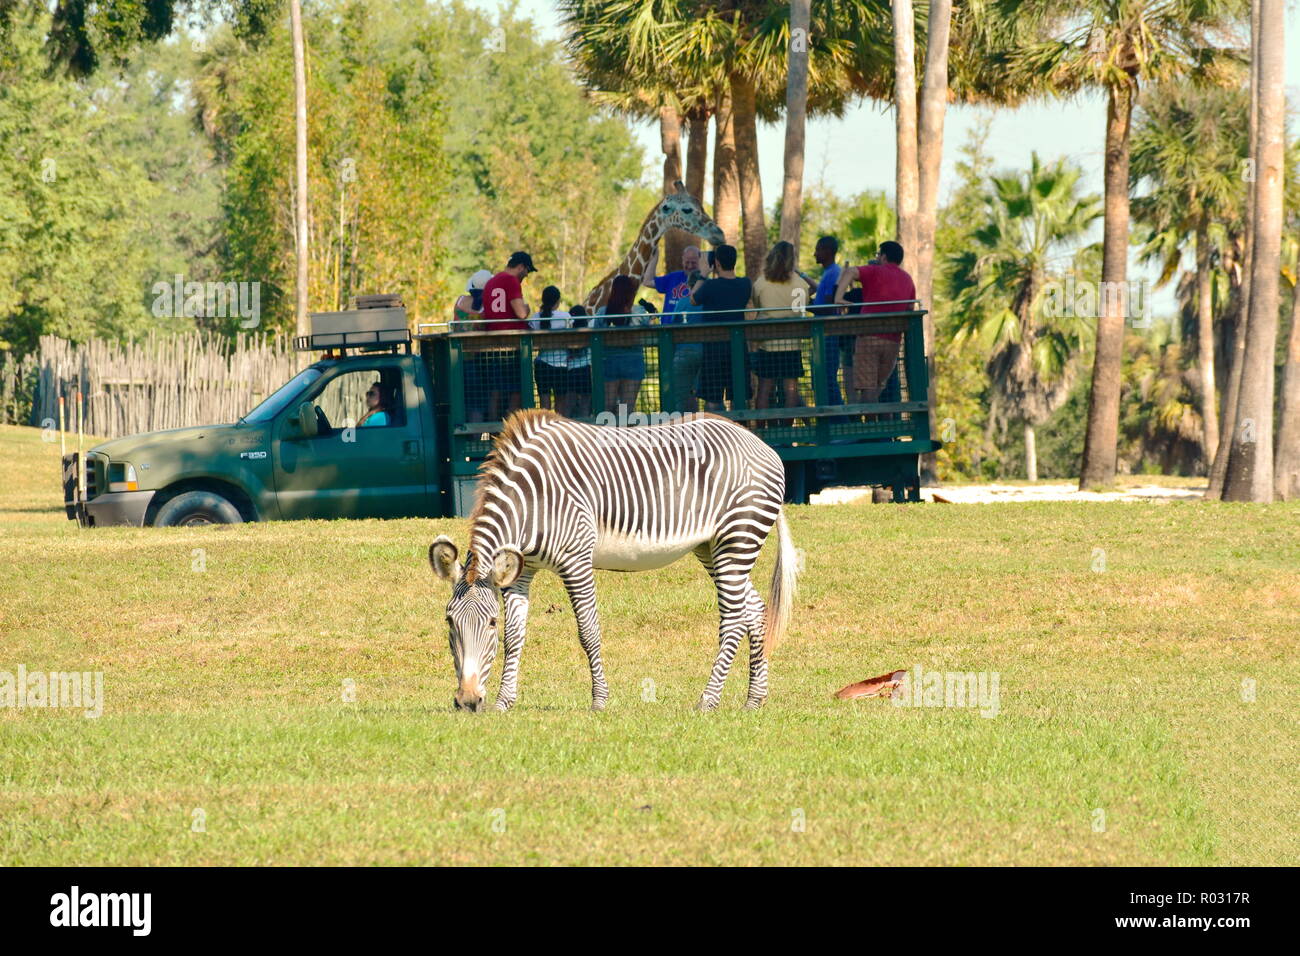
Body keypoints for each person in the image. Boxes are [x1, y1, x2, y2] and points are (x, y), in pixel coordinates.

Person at [835, 240, 916, 403]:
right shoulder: (908, 279)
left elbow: (851, 271)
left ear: (884, 256)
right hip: (893, 340)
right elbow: (910, 308)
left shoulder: (875, 271)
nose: (877, 258)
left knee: (868, 388)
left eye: (878, 255)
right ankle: (872, 422)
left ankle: (869, 426)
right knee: (878, 386)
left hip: (868, 336)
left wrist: (839, 298)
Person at [748, 240, 807, 419]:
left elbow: (756, 304)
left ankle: (762, 433)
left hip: (768, 344)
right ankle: (787, 434)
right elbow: (804, 306)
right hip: (793, 344)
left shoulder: (762, 282)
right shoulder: (800, 284)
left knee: (765, 388)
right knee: (790, 389)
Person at [690, 243, 752, 412]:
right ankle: (741, 434)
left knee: (712, 397)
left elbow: (693, 300)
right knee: (739, 395)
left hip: (713, 349)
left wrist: (703, 275)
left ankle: (713, 436)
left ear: (716, 263)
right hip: (738, 347)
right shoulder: (746, 284)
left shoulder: (710, 286)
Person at [479, 251, 536, 419]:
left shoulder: (491, 282)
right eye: (527, 271)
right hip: (512, 344)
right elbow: (521, 313)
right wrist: (527, 308)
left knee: (496, 390)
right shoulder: (511, 281)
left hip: (492, 344)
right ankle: (510, 429)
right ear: (520, 267)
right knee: (518, 390)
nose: (526, 275)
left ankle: (492, 430)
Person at [595, 274, 651, 414]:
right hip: (633, 361)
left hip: (608, 362)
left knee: (607, 409)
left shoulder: (603, 313)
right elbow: (649, 329)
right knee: (626, 410)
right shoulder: (639, 312)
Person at [808, 236, 851, 407]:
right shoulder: (828, 272)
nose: (814, 253)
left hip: (828, 332)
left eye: (818, 249)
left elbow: (829, 306)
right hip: (822, 333)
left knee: (827, 379)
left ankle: (839, 421)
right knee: (820, 379)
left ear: (827, 251)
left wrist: (805, 306)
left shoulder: (834, 272)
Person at [529, 285, 571, 413]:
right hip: (561, 365)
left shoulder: (536, 318)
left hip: (542, 365)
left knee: (544, 401)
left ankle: (545, 427)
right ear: (558, 301)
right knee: (561, 400)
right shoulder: (565, 317)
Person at [641, 244, 702, 323]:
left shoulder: (704, 281)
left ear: (700, 261)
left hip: (693, 332)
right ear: (682, 259)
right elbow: (647, 281)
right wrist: (655, 256)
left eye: (693, 263)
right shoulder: (673, 277)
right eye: (687, 262)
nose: (690, 266)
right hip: (668, 330)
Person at [565, 305, 594, 417]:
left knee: (569, 403)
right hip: (586, 369)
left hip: (571, 371)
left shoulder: (567, 330)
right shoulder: (589, 328)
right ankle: (586, 424)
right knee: (585, 403)